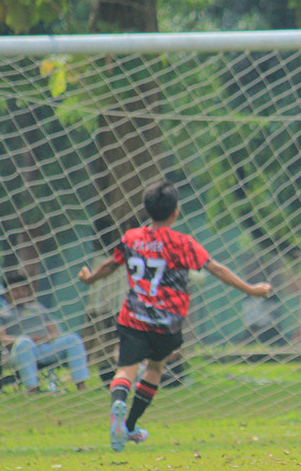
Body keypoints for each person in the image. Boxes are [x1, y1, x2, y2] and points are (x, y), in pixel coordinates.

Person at [78, 180, 271, 452]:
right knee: (155, 368)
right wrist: (251, 288)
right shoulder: (182, 243)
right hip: (166, 323)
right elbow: (215, 269)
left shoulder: (131, 237)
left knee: (125, 370)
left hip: (133, 318)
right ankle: (130, 424)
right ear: (175, 212)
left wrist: (90, 279)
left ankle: (118, 404)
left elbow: (112, 264)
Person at [0, 270, 91, 394]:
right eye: (15, 291)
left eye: (23, 290)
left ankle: (81, 386)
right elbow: (1, 338)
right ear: (7, 293)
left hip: (45, 347)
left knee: (73, 339)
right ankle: (32, 389)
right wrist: (27, 339)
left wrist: (44, 338)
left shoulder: (38, 309)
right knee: (24, 343)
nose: (20, 294)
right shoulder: (1, 315)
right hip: (21, 351)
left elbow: (55, 333)